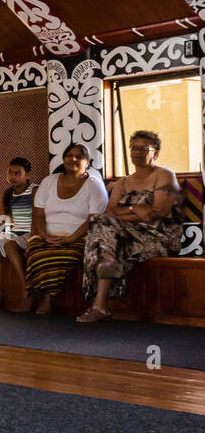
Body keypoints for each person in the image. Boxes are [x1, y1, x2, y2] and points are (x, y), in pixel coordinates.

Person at [78, 130, 182, 322]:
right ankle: (100, 302)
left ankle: (106, 270)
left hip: (158, 237)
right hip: (126, 237)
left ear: (156, 153)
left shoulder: (164, 175)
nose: (137, 151)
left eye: (144, 148)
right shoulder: (123, 182)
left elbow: (156, 213)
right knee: (103, 233)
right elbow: (110, 212)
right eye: (134, 147)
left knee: (101, 235)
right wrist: (137, 208)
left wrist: (126, 212)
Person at [23, 143, 109, 314]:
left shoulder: (94, 185)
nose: (73, 159)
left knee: (61, 255)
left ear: (88, 162)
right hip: (47, 236)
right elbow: (38, 214)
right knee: (36, 251)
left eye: (79, 156)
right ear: (63, 159)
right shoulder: (49, 182)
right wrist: (44, 235)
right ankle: (39, 297)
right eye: (69, 155)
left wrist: (71, 238)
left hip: (79, 238)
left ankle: (48, 299)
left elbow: (94, 220)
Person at [0, 158, 34, 310]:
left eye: (17, 173)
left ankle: (26, 291)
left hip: (31, 232)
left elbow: (40, 216)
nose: (12, 177)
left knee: (11, 245)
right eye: (10, 172)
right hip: (15, 232)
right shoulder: (8, 194)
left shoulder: (34, 190)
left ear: (27, 175)